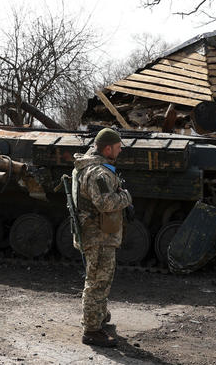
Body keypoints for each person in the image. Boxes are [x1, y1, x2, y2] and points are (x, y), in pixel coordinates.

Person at [72, 127, 132, 348]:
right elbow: (105, 203)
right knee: (97, 281)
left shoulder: (95, 166)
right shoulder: (98, 173)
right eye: (117, 148)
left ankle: (97, 317)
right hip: (98, 236)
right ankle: (91, 330)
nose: (119, 152)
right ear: (107, 149)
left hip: (99, 233)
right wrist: (126, 196)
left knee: (100, 280)